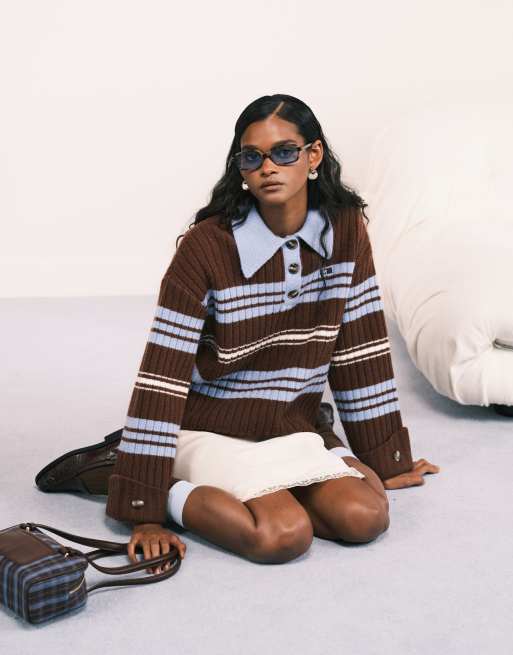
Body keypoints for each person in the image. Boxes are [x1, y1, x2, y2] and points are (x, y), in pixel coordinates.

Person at [41, 94, 440, 571]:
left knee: (365, 516)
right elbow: (162, 376)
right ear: (241, 168)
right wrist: (143, 507)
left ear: (313, 155)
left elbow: (360, 349)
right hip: (211, 427)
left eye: (284, 152)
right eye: (252, 157)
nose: (268, 168)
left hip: (289, 422)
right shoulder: (206, 247)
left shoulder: (346, 230)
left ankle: (300, 466)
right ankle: (133, 474)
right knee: (282, 535)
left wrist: (387, 459)